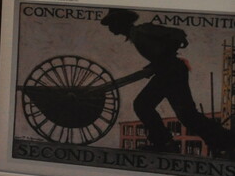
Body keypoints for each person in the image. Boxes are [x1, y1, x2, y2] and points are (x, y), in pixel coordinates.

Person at [100, 9, 234, 157]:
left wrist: (164, 59)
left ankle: (165, 143)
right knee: (186, 115)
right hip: (169, 71)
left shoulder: (141, 31)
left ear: (121, 22)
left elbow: (178, 35)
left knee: (144, 105)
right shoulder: (136, 35)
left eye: (112, 23)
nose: (110, 28)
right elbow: (163, 50)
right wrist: (155, 64)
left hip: (171, 72)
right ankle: (226, 141)